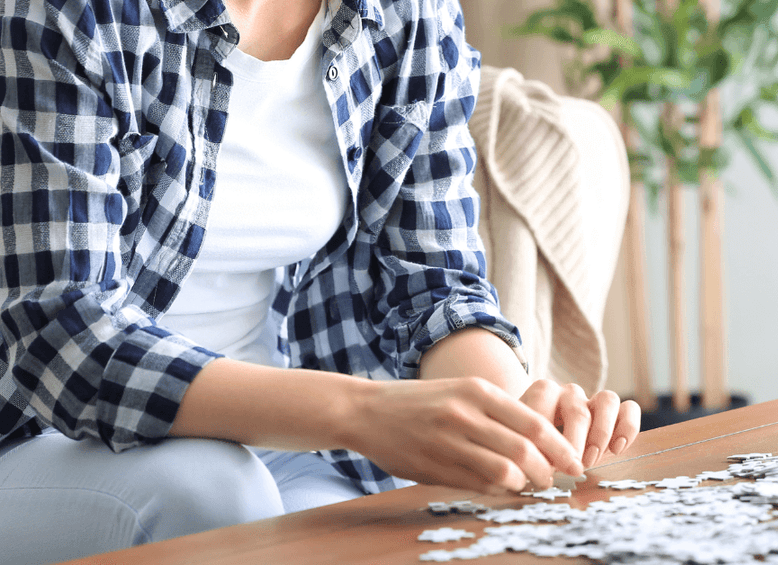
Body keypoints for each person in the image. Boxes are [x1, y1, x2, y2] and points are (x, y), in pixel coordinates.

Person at [0, 0, 641, 561]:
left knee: (376, 535)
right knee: (218, 492)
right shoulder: (69, 13)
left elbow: (434, 282)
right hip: (34, 429)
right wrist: (359, 415)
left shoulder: (406, 13)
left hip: (279, 432)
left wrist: (513, 420)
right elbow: (62, 336)